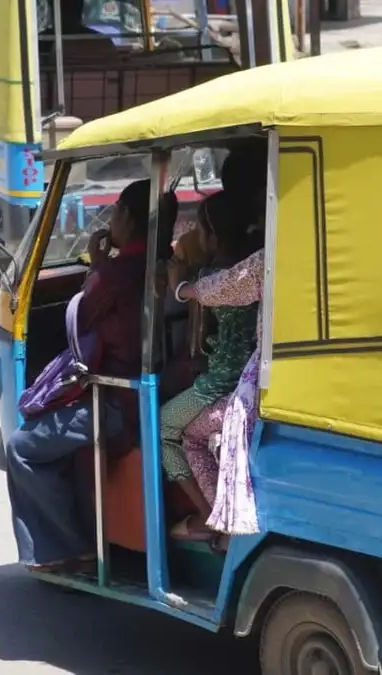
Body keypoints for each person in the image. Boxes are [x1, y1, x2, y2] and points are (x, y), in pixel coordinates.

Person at [5, 179, 174, 572]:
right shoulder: (171, 263)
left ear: (128, 218)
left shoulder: (116, 274)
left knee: (22, 446)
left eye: (115, 211)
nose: (110, 219)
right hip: (154, 389)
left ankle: (66, 547)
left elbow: (81, 321)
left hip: (119, 401)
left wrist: (99, 266)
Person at [162, 191, 260, 541]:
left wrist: (179, 284)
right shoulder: (258, 263)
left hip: (220, 382)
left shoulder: (217, 276)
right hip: (244, 377)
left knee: (165, 429)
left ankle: (209, 518)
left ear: (213, 237)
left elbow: (200, 319)